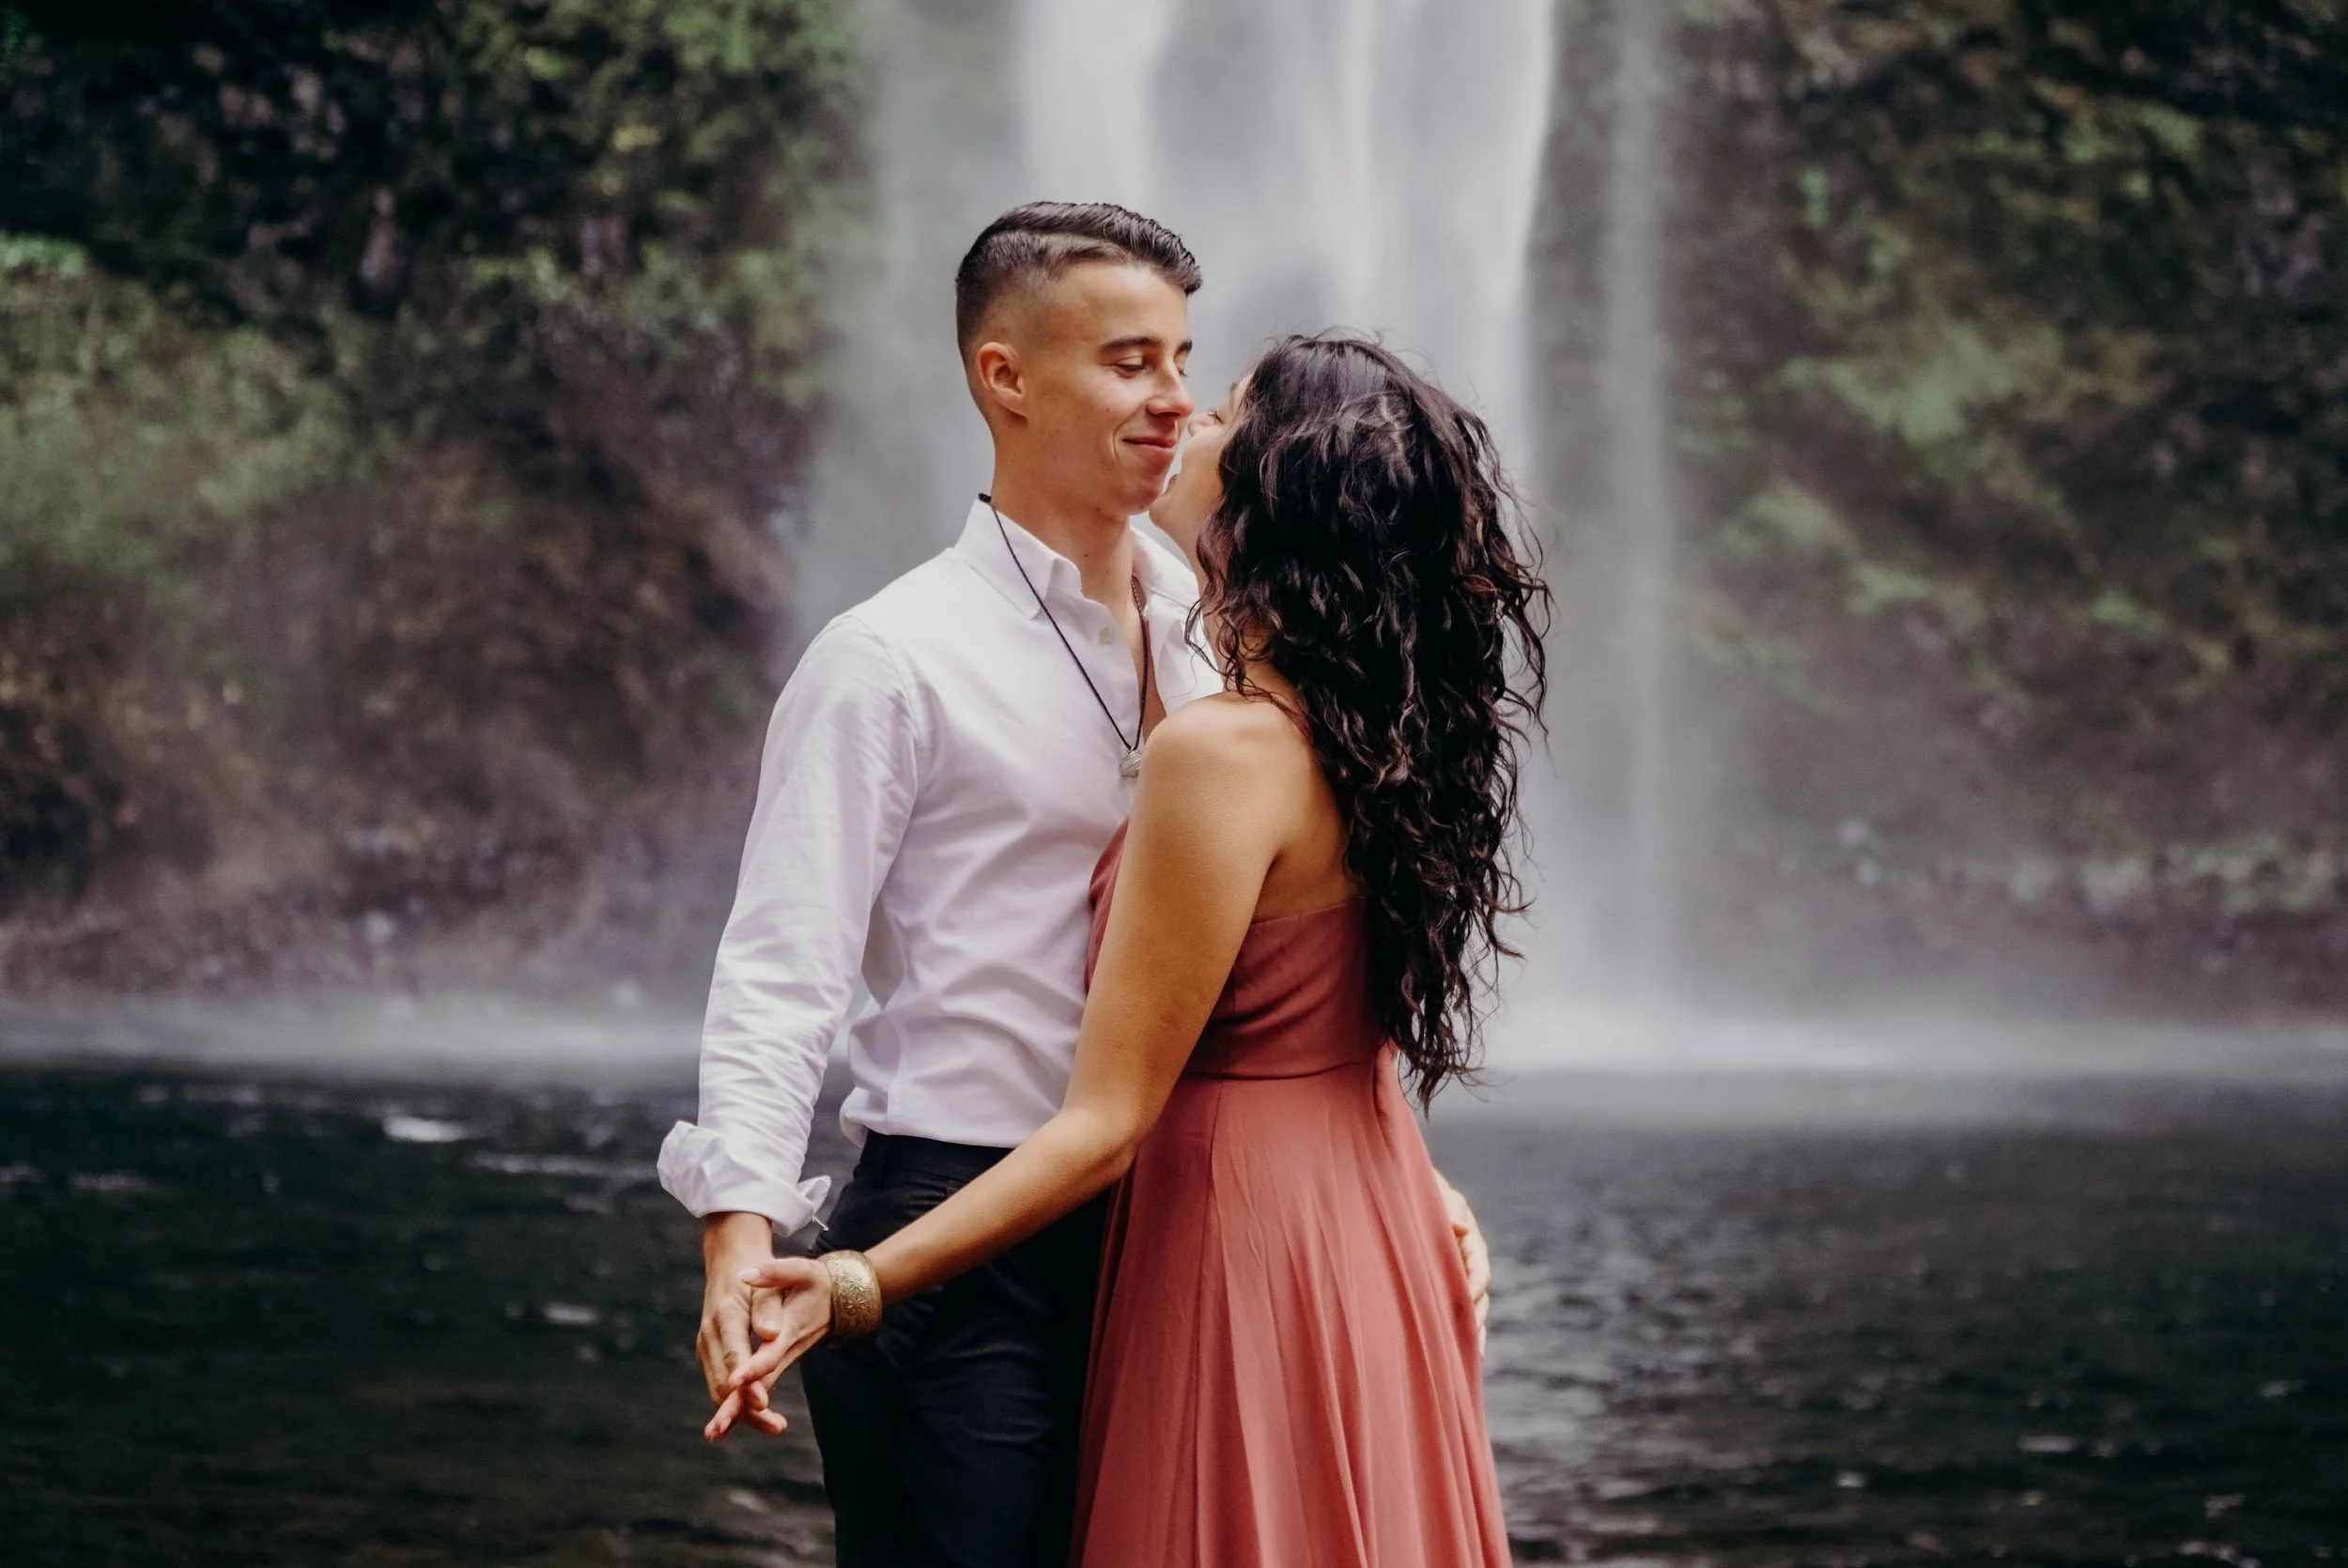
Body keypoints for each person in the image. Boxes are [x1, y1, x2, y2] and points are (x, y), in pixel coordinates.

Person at [657, 203, 1492, 1567]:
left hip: (1168, 1234)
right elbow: (782, 967)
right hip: (958, 1228)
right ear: (1007, 378)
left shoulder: (1233, 631)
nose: (1173, 401)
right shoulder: (890, 659)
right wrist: (738, 1234)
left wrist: (1404, 1171)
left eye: (1185, 362)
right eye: (1129, 362)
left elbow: (1277, 959)